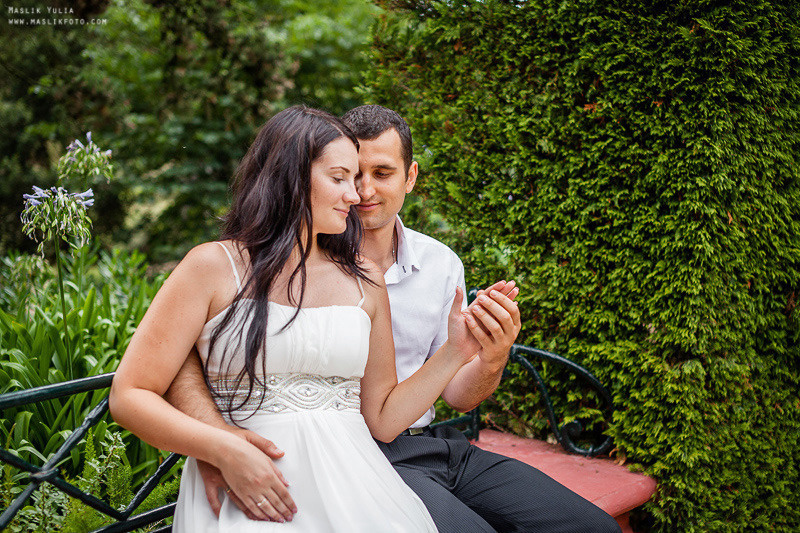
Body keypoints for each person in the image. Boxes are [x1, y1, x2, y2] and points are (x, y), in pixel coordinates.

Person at [166, 105, 622, 532]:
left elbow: (458, 396)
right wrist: (216, 442)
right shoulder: (272, 261)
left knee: (589, 526)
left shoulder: (439, 264)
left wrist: (490, 356)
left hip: (428, 441)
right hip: (349, 453)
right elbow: (182, 354)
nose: (361, 191)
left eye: (381, 173)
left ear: (410, 177)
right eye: (347, 174)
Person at [108, 105, 497, 531]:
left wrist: (458, 350)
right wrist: (221, 449)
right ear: (291, 178)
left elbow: (383, 417)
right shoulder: (212, 267)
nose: (356, 194)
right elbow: (130, 395)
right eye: (340, 178)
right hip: (252, 491)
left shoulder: (365, 279)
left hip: (362, 488)